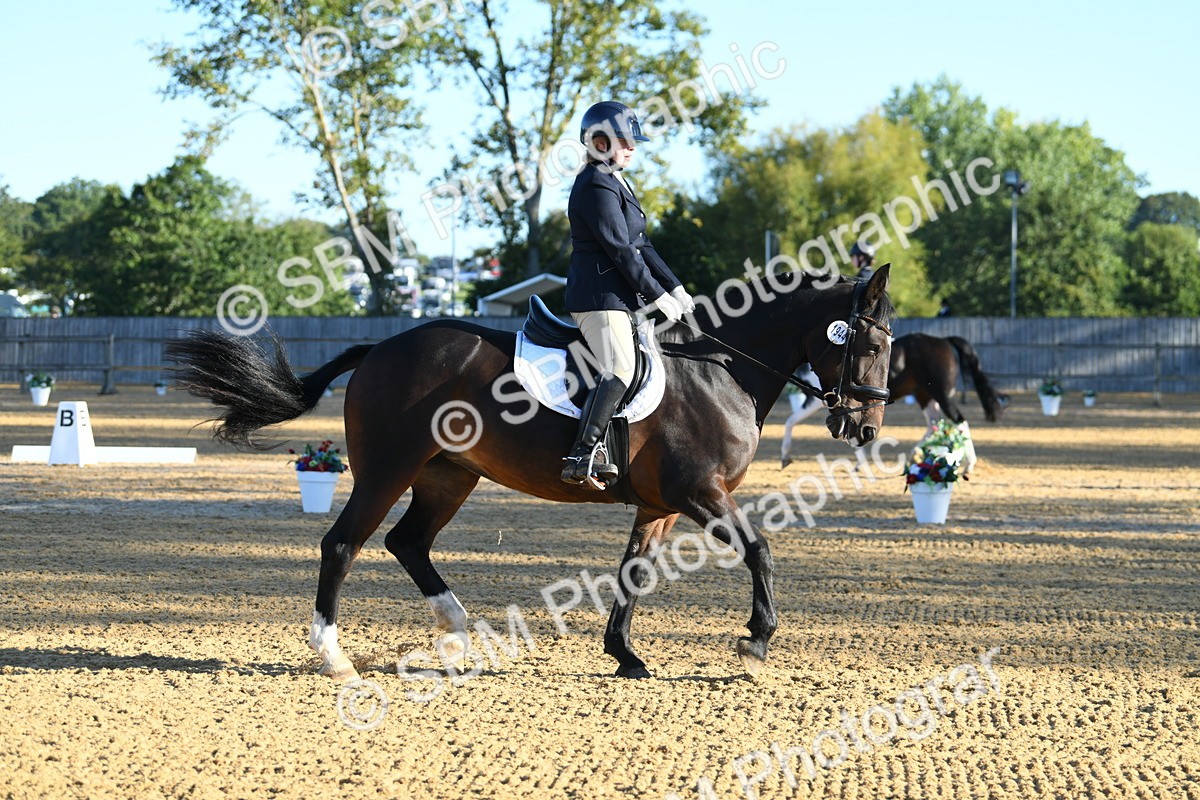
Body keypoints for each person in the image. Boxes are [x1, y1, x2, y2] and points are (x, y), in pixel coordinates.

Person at [560, 100, 695, 488]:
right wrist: (655, 294)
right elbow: (620, 249)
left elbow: (642, 243)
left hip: (620, 299)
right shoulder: (594, 184)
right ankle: (583, 453)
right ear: (599, 142)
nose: (633, 147)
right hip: (598, 298)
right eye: (624, 140)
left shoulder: (616, 179)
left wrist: (674, 287)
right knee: (620, 367)